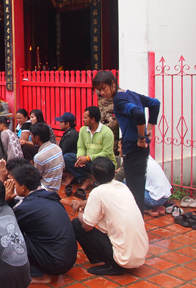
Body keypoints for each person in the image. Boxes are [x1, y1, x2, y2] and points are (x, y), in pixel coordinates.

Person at [92, 70, 160, 214]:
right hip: (139, 149)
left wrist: (142, 138)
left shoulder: (119, 100)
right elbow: (155, 103)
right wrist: (149, 128)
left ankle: (136, 222)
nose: (102, 93)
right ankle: (137, 221)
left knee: (134, 191)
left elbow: (138, 114)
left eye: (103, 88)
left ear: (113, 83)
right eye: (99, 90)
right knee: (138, 188)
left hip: (134, 148)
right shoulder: (131, 94)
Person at [71, 157, 149, 275]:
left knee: (77, 224)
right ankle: (111, 259)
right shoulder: (122, 186)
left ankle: (112, 264)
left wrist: (80, 212)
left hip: (123, 259)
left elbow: (87, 227)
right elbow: (105, 200)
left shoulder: (97, 193)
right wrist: (84, 203)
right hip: (140, 254)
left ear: (93, 177)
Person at [4, 165, 77, 282]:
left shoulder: (27, 207)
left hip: (55, 263)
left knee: (9, 235)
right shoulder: (48, 196)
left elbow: (5, 223)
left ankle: (37, 274)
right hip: (68, 259)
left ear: (23, 187)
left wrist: (6, 201)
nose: (14, 188)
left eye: (15, 185)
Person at [62, 107, 116, 199]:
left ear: (93, 119)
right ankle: (85, 179)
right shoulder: (83, 130)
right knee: (67, 157)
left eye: (85, 117)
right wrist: (80, 157)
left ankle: (100, 186)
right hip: (89, 161)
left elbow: (106, 153)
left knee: (101, 163)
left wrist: (87, 158)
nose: (83, 119)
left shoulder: (107, 132)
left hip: (103, 163)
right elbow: (81, 147)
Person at [30, 123, 64, 191]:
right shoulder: (57, 148)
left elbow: (37, 177)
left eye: (31, 135)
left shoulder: (38, 157)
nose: (31, 138)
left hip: (46, 188)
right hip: (57, 186)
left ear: (37, 137)